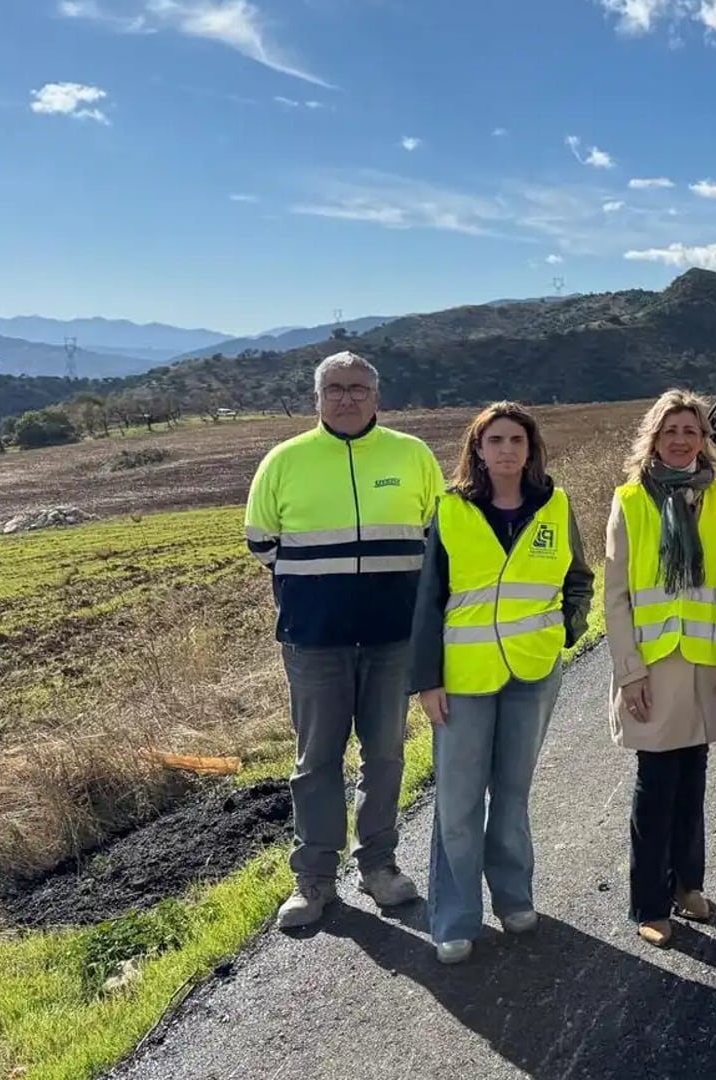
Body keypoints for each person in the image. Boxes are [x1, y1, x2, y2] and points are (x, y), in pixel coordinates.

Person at [243, 351, 444, 929]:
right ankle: (314, 880)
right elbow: (262, 544)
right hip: (315, 640)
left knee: (384, 757)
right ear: (317, 397)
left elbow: (436, 536)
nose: (347, 397)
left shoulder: (413, 456)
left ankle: (379, 865)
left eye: (358, 387)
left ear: (377, 396)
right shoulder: (284, 461)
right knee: (316, 763)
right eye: (335, 388)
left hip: (392, 639)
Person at [408, 402, 594, 965]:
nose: (507, 449)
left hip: (533, 674)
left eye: (517, 439)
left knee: (511, 796)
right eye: (496, 441)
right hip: (463, 679)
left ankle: (514, 898)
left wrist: (569, 627)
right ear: (478, 450)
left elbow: (578, 576)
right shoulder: (451, 510)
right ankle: (455, 918)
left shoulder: (555, 506)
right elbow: (427, 601)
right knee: (458, 802)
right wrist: (427, 680)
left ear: (531, 448)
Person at [605, 389, 716, 948]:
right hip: (655, 667)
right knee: (656, 782)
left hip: (708, 664)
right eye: (671, 431)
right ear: (654, 438)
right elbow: (616, 596)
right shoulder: (631, 499)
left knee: (694, 778)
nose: (682, 439)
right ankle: (649, 901)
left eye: (691, 430)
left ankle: (689, 885)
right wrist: (628, 672)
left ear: (703, 439)